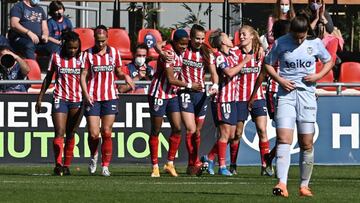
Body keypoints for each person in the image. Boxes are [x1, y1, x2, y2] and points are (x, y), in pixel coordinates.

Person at [264, 16, 333, 197]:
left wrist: (318, 76)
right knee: (283, 138)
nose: (299, 40)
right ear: (292, 31)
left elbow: (329, 61)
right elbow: (267, 64)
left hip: (307, 96)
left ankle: (304, 185)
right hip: (286, 96)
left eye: (302, 37)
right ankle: (282, 183)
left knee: (306, 142)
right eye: (296, 36)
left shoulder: (315, 43)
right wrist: (280, 79)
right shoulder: (280, 43)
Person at [80, 25, 134, 177]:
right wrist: (85, 93)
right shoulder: (88, 54)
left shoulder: (115, 53)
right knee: (93, 134)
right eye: (98, 41)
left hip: (110, 96)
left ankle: (105, 166)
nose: (101, 44)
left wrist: (126, 77)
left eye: (103, 41)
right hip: (93, 96)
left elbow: (118, 71)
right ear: (94, 39)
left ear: (107, 38)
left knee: (107, 132)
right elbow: (83, 75)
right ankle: (93, 156)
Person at [147, 29, 202, 177]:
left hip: (172, 94)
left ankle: (169, 163)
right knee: (156, 130)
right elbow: (170, 79)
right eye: (181, 44)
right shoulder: (169, 54)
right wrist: (190, 85)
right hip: (158, 93)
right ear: (175, 42)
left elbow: (159, 43)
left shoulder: (179, 51)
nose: (184, 47)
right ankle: (154, 166)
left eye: (186, 44)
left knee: (177, 128)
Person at [202, 29, 251, 176]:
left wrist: (259, 47)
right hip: (222, 99)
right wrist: (244, 62)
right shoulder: (219, 56)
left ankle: (210, 157)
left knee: (231, 135)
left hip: (233, 99)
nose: (231, 38)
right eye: (227, 37)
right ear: (223, 41)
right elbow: (229, 72)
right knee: (224, 134)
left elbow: (247, 44)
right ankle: (222, 166)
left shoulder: (233, 53)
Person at [35, 31, 83, 176]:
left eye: (75, 48)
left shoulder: (83, 59)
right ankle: (58, 164)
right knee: (59, 132)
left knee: (71, 133)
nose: (73, 51)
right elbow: (48, 78)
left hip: (77, 100)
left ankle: (67, 165)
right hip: (60, 98)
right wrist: (40, 98)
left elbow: (88, 79)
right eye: (70, 48)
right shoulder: (56, 57)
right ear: (65, 46)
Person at [248, 19, 291, 167]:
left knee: (288, 134)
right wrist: (253, 96)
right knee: (283, 134)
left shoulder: (292, 48)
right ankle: (276, 164)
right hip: (275, 94)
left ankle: (270, 157)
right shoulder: (274, 49)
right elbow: (262, 74)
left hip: (290, 93)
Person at [178, 24, 218, 175]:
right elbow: (163, 46)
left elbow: (214, 72)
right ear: (191, 38)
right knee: (191, 129)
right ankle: (194, 162)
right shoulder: (183, 49)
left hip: (201, 95)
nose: (200, 41)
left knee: (197, 132)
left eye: (202, 38)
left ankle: (191, 165)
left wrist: (215, 85)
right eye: (197, 38)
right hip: (185, 92)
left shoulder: (206, 52)